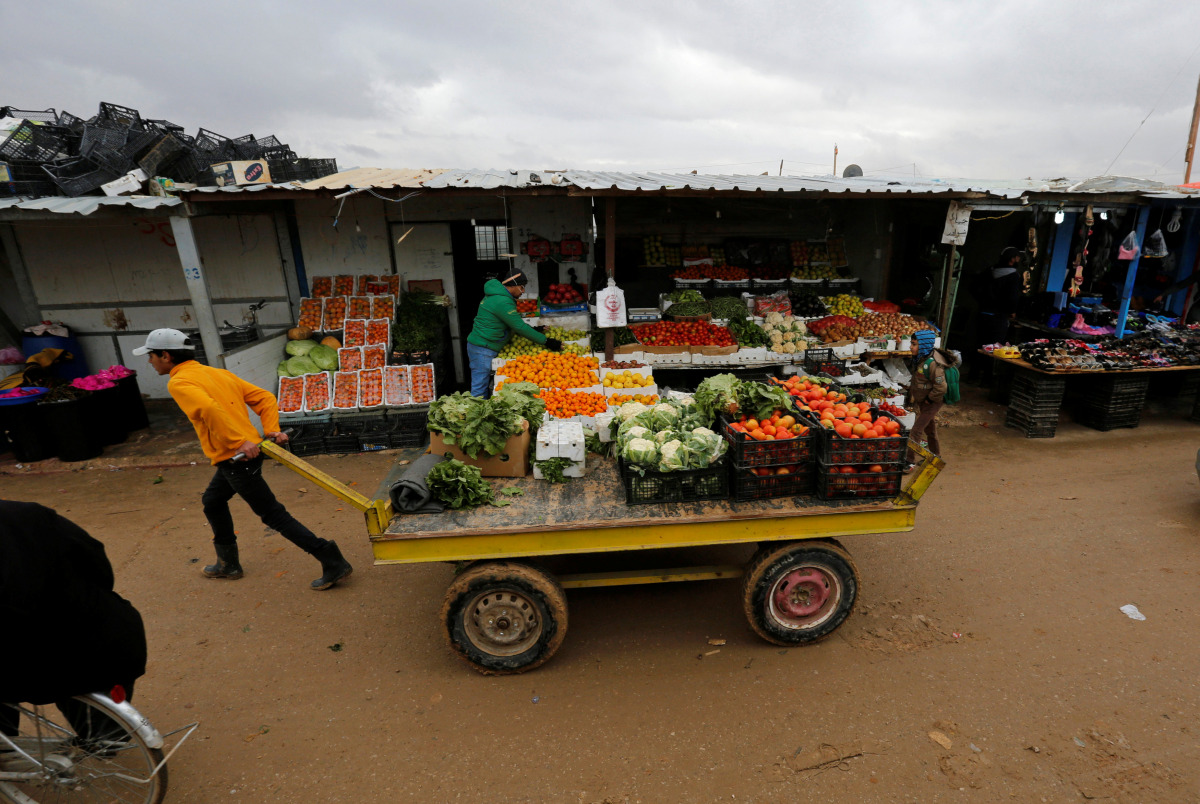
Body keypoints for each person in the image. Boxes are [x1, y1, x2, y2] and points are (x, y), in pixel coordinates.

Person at [133, 329, 351, 591]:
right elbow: (264, 398)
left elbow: (209, 409)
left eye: (151, 356)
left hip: (237, 458)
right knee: (212, 502)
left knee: (273, 515)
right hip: (242, 452)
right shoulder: (215, 373)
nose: (150, 362)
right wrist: (269, 429)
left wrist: (239, 442)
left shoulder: (179, 383)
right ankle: (228, 564)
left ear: (165, 356)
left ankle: (330, 558)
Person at [1, 500, 146, 737]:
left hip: (42, 658)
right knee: (105, 736)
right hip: (109, 635)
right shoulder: (28, 513)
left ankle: (6, 751)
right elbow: (95, 557)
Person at [466, 269, 562, 397]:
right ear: (514, 285)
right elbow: (519, 327)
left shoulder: (498, 296)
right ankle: (475, 414)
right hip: (482, 347)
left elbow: (512, 322)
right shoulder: (502, 301)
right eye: (522, 288)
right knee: (479, 389)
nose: (523, 292)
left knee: (482, 385)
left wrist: (534, 329)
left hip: (486, 345)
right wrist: (547, 341)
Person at [968, 246, 1023, 384]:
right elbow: (1012, 299)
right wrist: (1012, 311)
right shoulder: (1014, 276)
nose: (1018, 260)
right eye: (1017, 257)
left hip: (983, 313)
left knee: (979, 345)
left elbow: (973, 287)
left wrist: (982, 301)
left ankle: (973, 375)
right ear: (1012, 260)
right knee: (994, 348)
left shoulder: (989, 271)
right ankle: (986, 379)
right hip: (998, 317)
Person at [906, 348, 960, 469]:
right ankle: (936, 457)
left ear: (923, 345)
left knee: (916, 430)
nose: (910, 347)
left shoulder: (933, 363)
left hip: (932, 402)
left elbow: (941, 388)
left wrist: (929, 399)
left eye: (914, 344)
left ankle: (909, 461)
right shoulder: (921, 359)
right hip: (925, 402)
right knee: (930, 429)